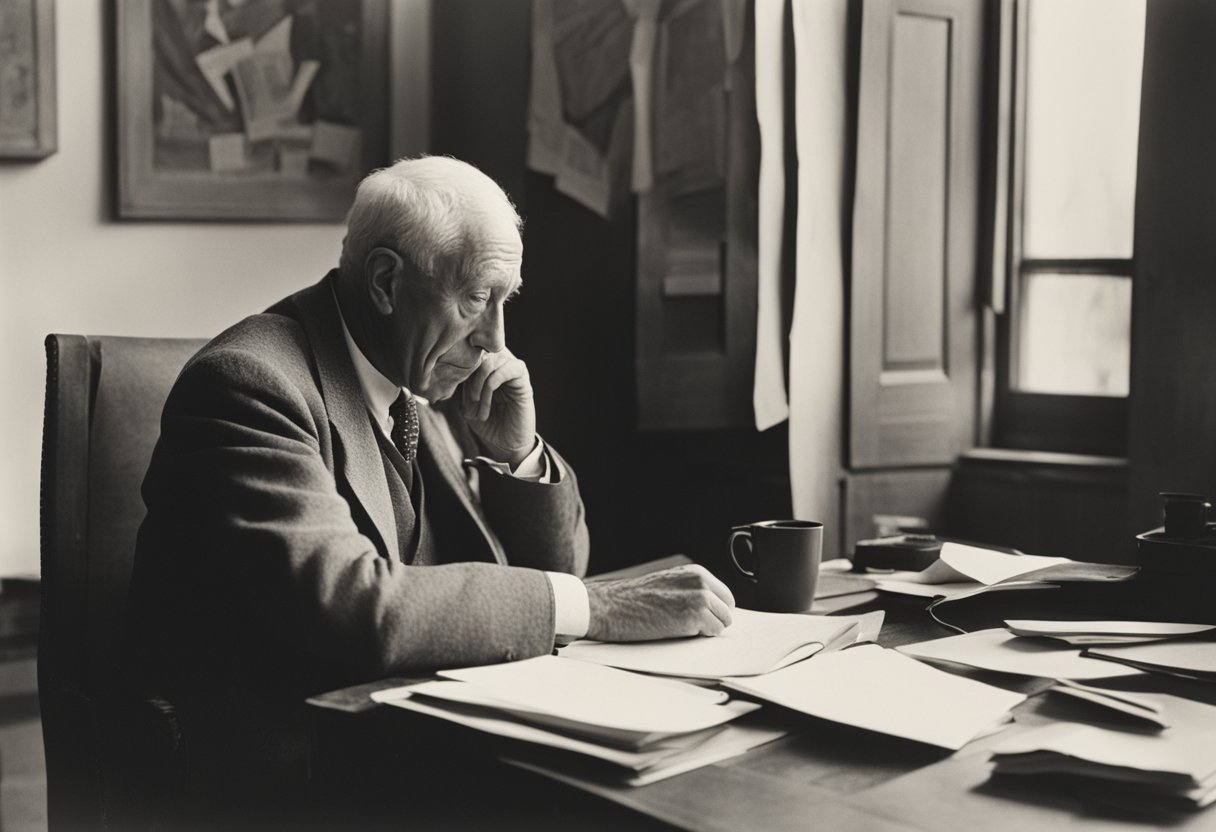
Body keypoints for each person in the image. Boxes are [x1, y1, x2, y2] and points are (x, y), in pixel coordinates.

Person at [124, 155, 735, 824]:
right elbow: (355, 606)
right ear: (387, 280)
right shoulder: (248, 383)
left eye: (508, 301)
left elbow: (550, 577)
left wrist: (517, 456)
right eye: (478, 298)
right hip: (291, 776)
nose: (496, 340)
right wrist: (601, 608)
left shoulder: (410, 383)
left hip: (409, 739)